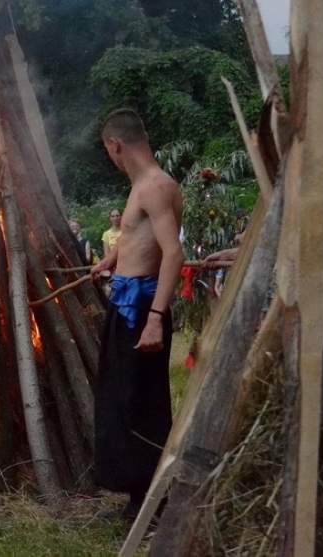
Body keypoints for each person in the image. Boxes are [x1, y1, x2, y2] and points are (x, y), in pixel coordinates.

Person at [89, 109, 184, 520]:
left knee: (143, 403)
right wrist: (110, 259)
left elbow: (173, 252)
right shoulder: (141, 187)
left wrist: (156, 318)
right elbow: (138, 238)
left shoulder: (156, 187)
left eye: (108, 151)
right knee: (121, 398)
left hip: (142, 308)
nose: (111, 159)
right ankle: (137, 497)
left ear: (115, 145)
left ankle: (152, 502)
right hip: (126, 302)